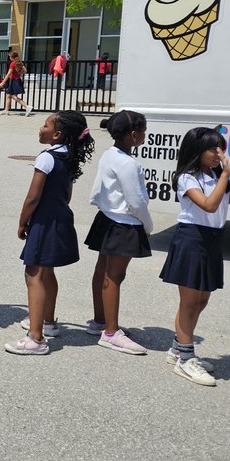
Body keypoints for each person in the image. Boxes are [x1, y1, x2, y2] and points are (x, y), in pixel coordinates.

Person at [159, 127, 230, 386]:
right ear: (197, 150)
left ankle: (178, 349)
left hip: (212, 242)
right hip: (190, 239)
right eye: (214, 149)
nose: (219, 154)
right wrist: (225, 175)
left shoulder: (218, 177)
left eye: (221, 148)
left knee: (201, 300)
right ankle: (186, 359)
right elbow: (209, 205)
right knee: (189, 302)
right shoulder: (188, 177)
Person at [6, 110, 95, 355]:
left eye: (45, 125)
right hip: (61, 216)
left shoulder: (46, 158)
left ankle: (35, 338)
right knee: (47, 272)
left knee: (33, 273)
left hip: (44, 220)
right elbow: (66, 193)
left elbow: (33, 196)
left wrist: (23, 221)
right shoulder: (68, 155)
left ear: (57, 134)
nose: (40, 128)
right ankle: (48, 321)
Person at [83, 110, 153, 354]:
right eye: (143, 131)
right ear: (134, 135)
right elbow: (136, 201)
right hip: (124, 223)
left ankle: (100, 320)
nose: (145, 135)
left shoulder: (109, 154)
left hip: (107, 218)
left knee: (103, 270)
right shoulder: (129, 164)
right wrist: (148, 225)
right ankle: (111, 332)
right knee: (115, 276)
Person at [1, 50, 31, 116]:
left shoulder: (13, 63)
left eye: (9, 57)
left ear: (12, 57)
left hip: (14, 81)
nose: (9, 58)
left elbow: (8, 74)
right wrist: (19, 73)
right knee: (8, 95)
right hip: (17, 80)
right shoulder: (19, 62)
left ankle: (27, 106)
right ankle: (6, 110)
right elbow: (25, 71)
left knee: (12, 96)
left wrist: (2, 82)